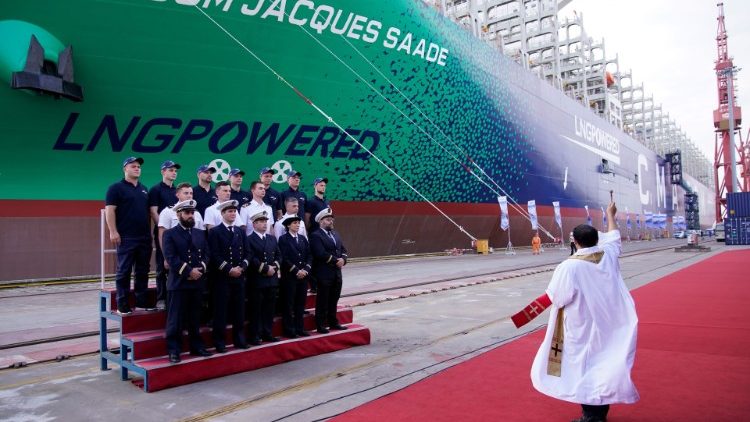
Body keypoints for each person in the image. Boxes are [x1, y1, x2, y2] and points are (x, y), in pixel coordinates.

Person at [530, 201, 639, 422]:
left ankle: (591, 416)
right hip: (609, 322)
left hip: (582, 326)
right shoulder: (608, 254)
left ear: (575, 242)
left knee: (583, 367)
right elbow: (614, 236)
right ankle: (599, 413)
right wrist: (610, 215)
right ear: (597, 240)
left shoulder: (569, 266)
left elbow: (559, 297)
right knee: (604, 364)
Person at [162, 200, 213, 363]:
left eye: (192, 213)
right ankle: (174, 350)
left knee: (195, 317)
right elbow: (171, 257)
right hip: (179, 283)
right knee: (175, 319)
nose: (191, 216)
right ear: (179, 215)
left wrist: (201, 270)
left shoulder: (199, 233)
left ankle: (196, 346)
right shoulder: (169, 234)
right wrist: (189, 271)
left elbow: (207, 254)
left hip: (197, 282)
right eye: (187, 213)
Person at [105, 157, 152, 314]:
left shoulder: (144, 189)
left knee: (142, 270)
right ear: (125, 168)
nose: (137, 168)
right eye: (133, 166)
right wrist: (113, 231)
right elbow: (110, 210)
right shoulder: (115, 188)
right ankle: (122, 304)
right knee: (124, 270)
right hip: (126, 237)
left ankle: (141, 301)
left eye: (139, 166)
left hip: (144, 237)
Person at [207, 200, 250, 352]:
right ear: (222, 213)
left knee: (239, 310)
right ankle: (219, 342)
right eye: (229, 211)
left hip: (239, 276)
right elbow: (214, 254)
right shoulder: (215, 232)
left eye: (234, 211)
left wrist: (242, 267)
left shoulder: (240, 231)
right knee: (221, 311)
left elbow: (247, 252)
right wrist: (229, 269)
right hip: (222, 277)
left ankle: (239, 339)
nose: (232, 214)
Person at [157, 182, 205, 310]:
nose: (189, 195)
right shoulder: (168, 211)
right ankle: (162, 299)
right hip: (176, 257)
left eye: (191, 193)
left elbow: (201, 238)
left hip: (194, 260)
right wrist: (166, 257)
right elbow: (162, 234)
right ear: (177, 194)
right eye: (186, 193)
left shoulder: (197, 214)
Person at [309, 207, 348, 334]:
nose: (330, 221)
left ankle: (333, 322)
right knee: (323, 300)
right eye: (327, 219)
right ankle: (320, 324)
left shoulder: (335, 234)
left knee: (334, 299)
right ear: (320, 221)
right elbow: (320, 253)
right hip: (324, 273)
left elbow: (343, 250)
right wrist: (336, 261)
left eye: (331, 219)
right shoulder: (315, 235)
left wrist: (343, 259)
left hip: (337, 273)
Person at [149, 160, 181, 311]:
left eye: (175, 170)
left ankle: (176, 295)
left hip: (178, 235)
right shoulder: (156, 190)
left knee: (177, 264)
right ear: (163, 172)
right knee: (162, 265)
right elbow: (153, 211)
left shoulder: (177, 191)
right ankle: (161, 298)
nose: (174, 172)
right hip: (164, 233)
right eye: (170, 170)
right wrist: (164, 227)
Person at [246, 211, 281, 344]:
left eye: (265, 221)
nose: (264, 224)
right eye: (261, 221)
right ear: (254, 224)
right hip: (258, 279)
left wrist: (274, 268)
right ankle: (255, 335)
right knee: (256, 309)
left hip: (271, 279)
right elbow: (251, 258)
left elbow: (279, 256)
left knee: (269, 308)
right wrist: (265, 269)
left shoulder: (271, 238)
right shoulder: (249, 239)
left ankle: (268, 332)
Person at [277, 215, 312, 338]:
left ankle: (300, 328)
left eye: (298, 223)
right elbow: (284, 258)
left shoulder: (302, 238)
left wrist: (306, 269)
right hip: (290, 276)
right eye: (294, 223)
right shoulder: (283, 239)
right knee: (289, 304)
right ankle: (289, 330)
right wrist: (296, 270)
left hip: (303, 276)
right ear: (288, 225)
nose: (297, 225)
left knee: (300, 303)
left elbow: (309, 255)